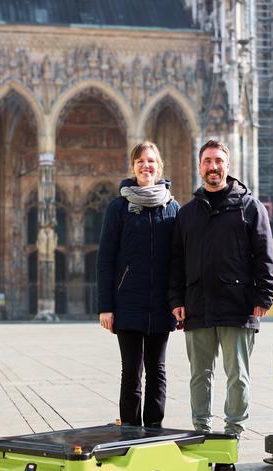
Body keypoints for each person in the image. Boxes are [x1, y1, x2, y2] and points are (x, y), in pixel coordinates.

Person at [168, 139, 273, 437]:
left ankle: (232, 434)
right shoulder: (187, 213)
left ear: (228, 166)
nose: (213, 167)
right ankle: (201, 431)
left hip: (237, 305)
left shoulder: (249, 207)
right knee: (199, 376)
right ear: (199, 165)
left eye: (218, 161)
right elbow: (176, 261)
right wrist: (176, 298)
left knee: (237, 376)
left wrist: (265, 294)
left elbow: (264, 253)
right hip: (197, 304)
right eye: (207, 161)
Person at [97, 141, 179, 428]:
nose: (146, 166)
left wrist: (179, 303)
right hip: (128, 302)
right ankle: (131, 431)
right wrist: (106, 306)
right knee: (131, 372)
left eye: (151, 161)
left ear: (160, 166)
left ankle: (154, 429)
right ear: (132, 167)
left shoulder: (172, 208)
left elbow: (177, 261)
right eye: (141, 161)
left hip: (160, 304)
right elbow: (105, 258)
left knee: (157, 371)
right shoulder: (118, 207)